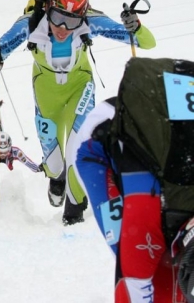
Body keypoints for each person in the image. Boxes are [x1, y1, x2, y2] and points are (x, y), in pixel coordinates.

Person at [0, 0, 156, 226]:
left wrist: (136, 26)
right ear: (48, 10)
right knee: (54, 163)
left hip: (79, 88)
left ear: (82, 17)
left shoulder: (90, 20)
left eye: (73, 21)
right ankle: (57, 178)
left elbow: (146, 41)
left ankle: (74, 212)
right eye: (58, 18)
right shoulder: (31, 23)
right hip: (46, 95)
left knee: (78, 150)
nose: (64, 28)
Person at [74, 57, 194, 302]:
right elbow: (132, 290)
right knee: (147, 272)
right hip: (96, 147)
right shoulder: (145, 218)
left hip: (161, 126)